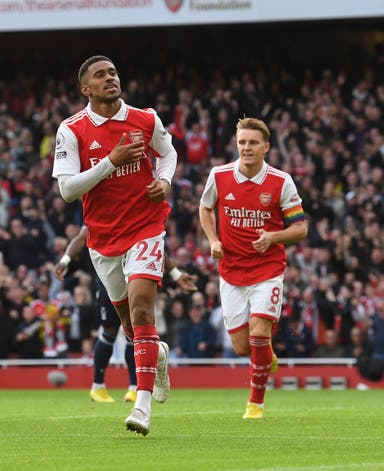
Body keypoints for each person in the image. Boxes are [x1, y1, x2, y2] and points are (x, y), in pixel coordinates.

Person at [52, 55, 178, 436]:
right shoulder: (71, 130)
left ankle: (141, 407)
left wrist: (165, 181)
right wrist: (111, 161)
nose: (111, 78)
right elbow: (68, 189)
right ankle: (155, 354)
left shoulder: (145, 118)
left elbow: (168, 153)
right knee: (128, 324)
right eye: (100, 75)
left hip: (146, 226)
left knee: (142, 309)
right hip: (103, 239)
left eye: (114, 72)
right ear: (85, 88)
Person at [199, 117, 308, 419]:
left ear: (266, 147)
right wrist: (213, 239)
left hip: (267, 270)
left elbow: (300, 228)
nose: (246, 148)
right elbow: (205, 207)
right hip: (231, 272)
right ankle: (266, 352)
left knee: (258, 334)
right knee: (241, 347)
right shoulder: (219, 175)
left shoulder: (280, 181)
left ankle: (255, 404)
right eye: (242, 142)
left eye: (253, 143)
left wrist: (273, 236)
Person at [53, 225, 196, 404]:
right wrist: (65, 260)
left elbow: (154, 245)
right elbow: (80, 238)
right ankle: (98, 387)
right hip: (107, 282)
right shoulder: (100, 215)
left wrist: (175, 274)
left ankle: (134, 387)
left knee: (135, 331)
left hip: (134, 278)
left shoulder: (136, 218)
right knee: (109, 331)